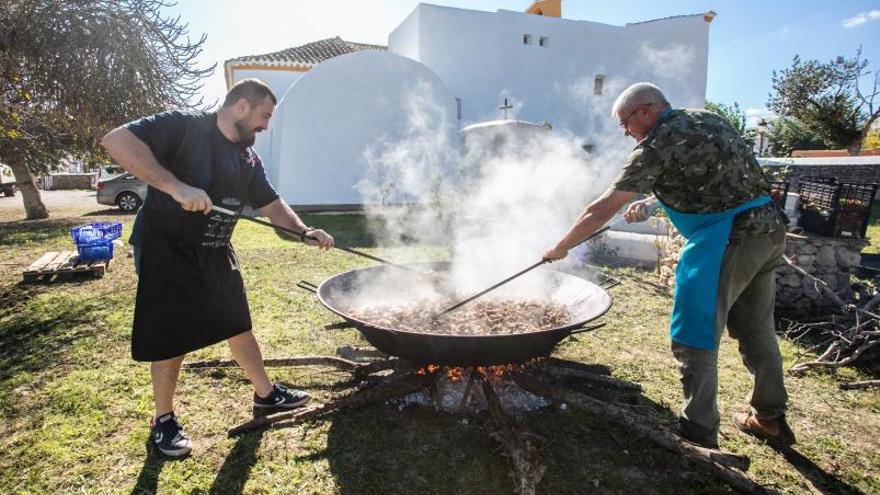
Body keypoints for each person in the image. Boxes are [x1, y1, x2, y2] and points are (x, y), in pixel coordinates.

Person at [543, 82, 795, 450]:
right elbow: (712, 181)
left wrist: (559, 247)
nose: (626, 133)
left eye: (625, 124)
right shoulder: (710, 119)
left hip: (728, 239)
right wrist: (651, 202)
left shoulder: (656, 145)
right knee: (757, 330)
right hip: (769, 233)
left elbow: (602, 208)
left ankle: (698, 430)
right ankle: (770, 418)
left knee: (694, 334)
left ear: (643, 111)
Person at [101, 78, 334, 457]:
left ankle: (266, 395)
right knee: (169, 333)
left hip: (214, 247)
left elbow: (271, 204)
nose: (266, 125)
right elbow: (116, 141)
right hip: (165, 246)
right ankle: (164, 419)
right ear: (241, 106)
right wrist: (177, 188)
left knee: (237, 322)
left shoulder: (247, 159)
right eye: (264, 115)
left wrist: (304, 231)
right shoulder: (184, 127)